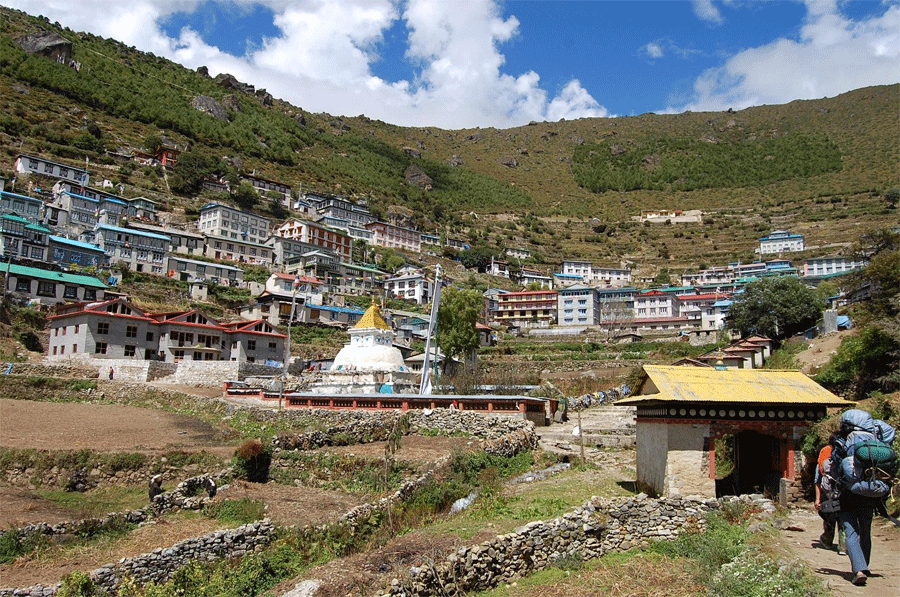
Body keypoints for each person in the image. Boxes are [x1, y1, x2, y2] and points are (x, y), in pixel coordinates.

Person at [814, 434, 845, 554]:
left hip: (828, 493)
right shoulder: (846, 454)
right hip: (843, 492)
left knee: (828, 517)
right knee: (843, 518)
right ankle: (843, 546)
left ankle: (827, 541)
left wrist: (817, 499)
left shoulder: (824, 454)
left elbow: (817, 480)